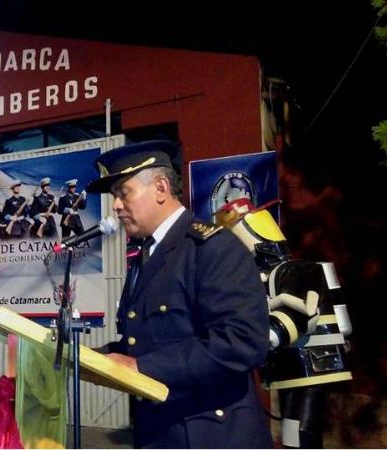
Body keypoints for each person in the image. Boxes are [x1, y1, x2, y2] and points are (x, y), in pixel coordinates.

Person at [86, 140, 273, 448]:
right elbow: (151, 340)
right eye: (114, 197)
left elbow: (242, 342)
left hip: (210, 435)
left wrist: (142, 367)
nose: (116, 206)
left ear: (160, 188)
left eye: (123, 193)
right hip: (160, 432)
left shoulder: (212, 248)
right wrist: (95, 359)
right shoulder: (146, 255)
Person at [216, 198, 353, 448]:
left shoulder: (295, 270)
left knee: (300, 433)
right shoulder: (261, 279)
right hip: (288, 367)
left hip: (311, 364)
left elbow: (300, 315)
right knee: (292, 432)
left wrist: (263, 337)